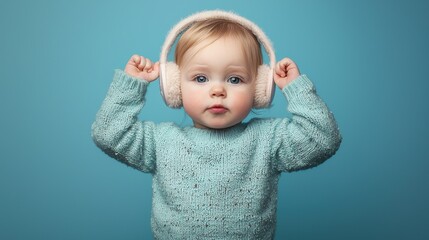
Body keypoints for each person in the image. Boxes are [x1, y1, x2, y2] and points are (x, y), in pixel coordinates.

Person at [92, 11, 341, 240]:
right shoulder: (161, 141)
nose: (218, 90)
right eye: (201, 78)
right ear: (175, 86)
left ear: (259, 88)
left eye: (235, 79)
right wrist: (131, 86)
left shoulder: (268, 140)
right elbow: (108, 132)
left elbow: (323, 139)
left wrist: (296, 89)